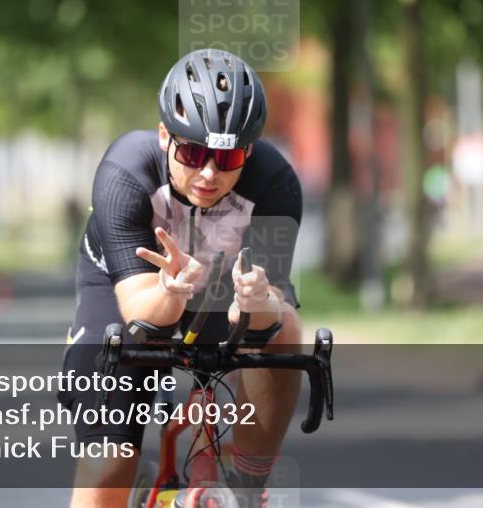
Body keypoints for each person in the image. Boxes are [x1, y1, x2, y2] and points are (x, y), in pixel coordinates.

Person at [59, 49, 303, 508]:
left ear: (248, 151)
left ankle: (248, 488)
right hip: (129, 294)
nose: (209, 172)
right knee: (107, 462)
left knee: (285, 326)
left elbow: (268, 318)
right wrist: (170, 291)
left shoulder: (275, 183)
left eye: (227, 156)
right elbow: (140, 318)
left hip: (220, 290)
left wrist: (257, 301)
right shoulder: (125, 173)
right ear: (164, 136)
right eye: (192, 152)